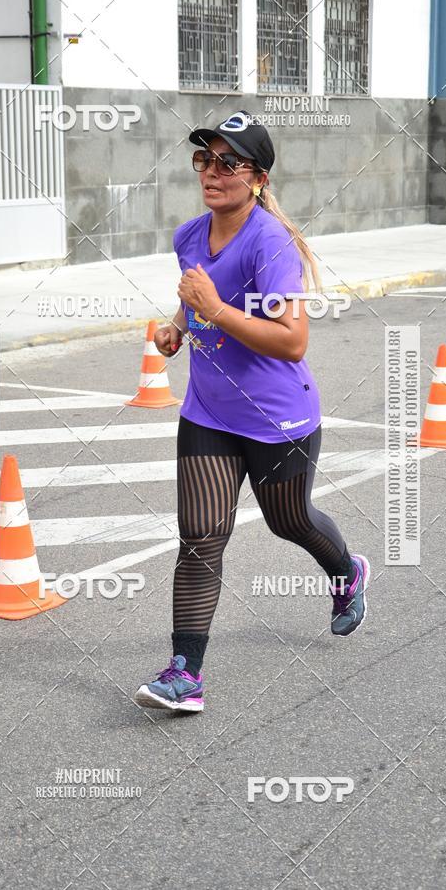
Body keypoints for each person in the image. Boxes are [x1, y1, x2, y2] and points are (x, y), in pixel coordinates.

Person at [134, 110, 370, 713]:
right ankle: (184, 674)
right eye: (204, 160)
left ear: (257, 178)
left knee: (288, 521)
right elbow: (196, 299)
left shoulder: (272, 244)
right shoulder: (189, 235)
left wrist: (210, 310)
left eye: (227, 163)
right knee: (200, 538)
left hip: (277, 417)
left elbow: (292, 340)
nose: (211, 173)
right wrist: (176, 328)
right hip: (209, 413)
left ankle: (347, 571)